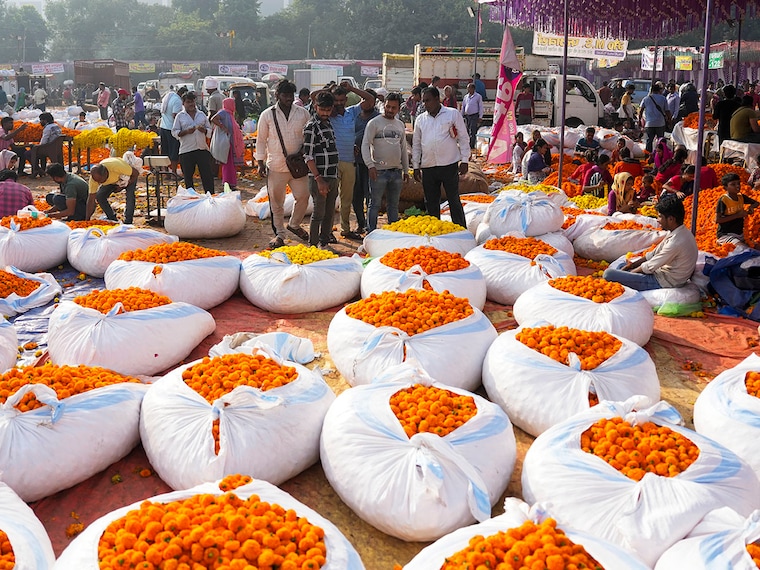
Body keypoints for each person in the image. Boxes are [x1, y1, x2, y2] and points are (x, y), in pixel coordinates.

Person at [256, 80, 312, 248]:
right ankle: (279, 234)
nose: (288, 98)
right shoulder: (267, 115)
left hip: (299, 166)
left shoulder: (303, 113)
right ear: (277, 96)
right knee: (276, 203)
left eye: (290, 95)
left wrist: (304, 152)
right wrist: (260, 163)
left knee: (303, 196)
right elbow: (261, 140)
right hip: (276, 166)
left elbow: (309, 137)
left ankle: (294, 225)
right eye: (285, 95)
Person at [602, 195, 698, 291]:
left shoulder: (677, 241)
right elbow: (653, 254)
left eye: (660, 217)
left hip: (663, 281)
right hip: (660, 273)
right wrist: (630, 266)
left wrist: (630, 273)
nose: (657, 220)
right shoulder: (678, 232)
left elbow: (649, 266)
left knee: (608, 274)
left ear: (671, 219)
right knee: (622, 265)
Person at [320, 82, 373, 240]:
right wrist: (329, 90)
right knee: (330, 199)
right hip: (332, 162)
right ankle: (327, 231)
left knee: (346, 199)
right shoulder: (328, 114)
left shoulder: (351, 112)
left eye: (342, 100)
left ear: (346, 99)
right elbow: (313, 97)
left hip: (350, 161)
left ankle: (345, 229)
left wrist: (352, 88)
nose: (339, 103)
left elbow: (370, 100)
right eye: (336, 100)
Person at [412, 87, 470, 227]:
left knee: (453, 199)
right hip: (428, 166)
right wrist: (415, 166)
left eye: (428, 100)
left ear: (438, 99)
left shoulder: (452, 114)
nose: (425, 104)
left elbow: (463, 137)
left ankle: (461, 230)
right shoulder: (420, 119)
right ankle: (436, 232)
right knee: (431, 202)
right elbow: (416, 144)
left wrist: (465, 160)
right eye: (423, 101)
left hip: (449, 164)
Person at [362, 92, 409, 232]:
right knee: (374, 204)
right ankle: (371, 233)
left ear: (398, 109)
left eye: (393, 108)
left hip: (396, 171)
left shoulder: (400, 125)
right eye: (388, 106)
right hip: (378, 172)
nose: (390, 110)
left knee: (393, 205)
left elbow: (403, 148)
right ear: (384, 105)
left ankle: (393, 234)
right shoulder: (374, 123)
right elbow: (365, 144)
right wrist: (370, 165)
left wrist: (406, 170)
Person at [303, 91, 339, 250]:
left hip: (332, 175)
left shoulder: (328, 124)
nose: (325, 113)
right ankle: (313, 245)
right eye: (322, 110)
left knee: (329, 213)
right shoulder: (311, 127)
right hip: (319, 177)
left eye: (328, 110)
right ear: (316, 107)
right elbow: (308, 156)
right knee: (318, 213)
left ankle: (324, 242)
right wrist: (319, 179)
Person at [172, 91, 214, 195]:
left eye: (193, 102)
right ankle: (191, 198)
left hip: (201, 149)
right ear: (184, 103)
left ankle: (210, 197)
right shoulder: (180, 116)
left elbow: (209, 129)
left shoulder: (201, 114)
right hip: (186, 150)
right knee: (188, 178)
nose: (191, 104)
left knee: (207, 176)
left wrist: (203, 130)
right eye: (188, 102)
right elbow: (174, 132)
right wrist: (186, 132)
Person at [352, 89, 380, 235]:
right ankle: (360, 223)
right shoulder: (354, 115)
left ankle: (370, 226)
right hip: (355, 162)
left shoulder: (378, 118)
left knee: (370, 194)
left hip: (371, 164)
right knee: (356, 195)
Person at [87, 157, 140, 223]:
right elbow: (91, 199)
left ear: (105, 174)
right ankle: (112, 218)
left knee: (130, 196)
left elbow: (136, 173)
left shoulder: (117, 167)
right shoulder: (94, 179)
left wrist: (123, 186)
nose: (98, 183)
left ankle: (128, 221)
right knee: (100, 196)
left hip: (128, 177)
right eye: (97, 181)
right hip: (114, 181)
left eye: (100, 181)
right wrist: (87, 220)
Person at [210, 97, 245, 191]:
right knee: (227, 163)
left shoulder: (230, 115)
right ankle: (228, 182)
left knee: (231, 164)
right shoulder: (224, 113)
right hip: (226, 143)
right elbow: (213, 119)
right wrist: (222, 127)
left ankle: (231, 182)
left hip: (231, 143)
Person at [716, 172, 760, 245]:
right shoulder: (723, 200)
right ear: (725, 187)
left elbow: (757, 203)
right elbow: (718, 219)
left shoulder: (741, 197)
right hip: (726, 234)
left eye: (738, 183)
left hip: (740, 234)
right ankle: (721, 241)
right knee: (742, 248)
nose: (737, 186)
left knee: (756, 247)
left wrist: (751, 207)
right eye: (733, 184)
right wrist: (737, 215)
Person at [159, 86, 184, 174]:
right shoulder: (177, 101)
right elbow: (175, 115)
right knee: (174, 151)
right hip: (172, 129)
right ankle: (173, 173)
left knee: (165, 151)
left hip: (163, 127)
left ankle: (165, 172)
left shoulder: (168, 96)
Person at [639, 83, 669, 154]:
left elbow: (640, 111)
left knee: (649, 140)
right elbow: (667, 111)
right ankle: (660, 154)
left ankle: (648, 155)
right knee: (660, 140)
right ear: (659, 90)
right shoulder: (663, 98)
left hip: (649, 123)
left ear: (651, 90)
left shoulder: (646, 98)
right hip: (660, 123)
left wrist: (639, 120)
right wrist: (669, 120)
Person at [461, 83, 483, 150]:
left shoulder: (478, 96)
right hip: (467, 116)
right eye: (467, 88)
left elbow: (480, 107)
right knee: (467, 131)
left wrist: (480, 116)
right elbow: (463, 106)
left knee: (472, 131)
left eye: (469, 88)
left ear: (473, 89)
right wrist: (461, 116)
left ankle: (472, 146)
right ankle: (468, 144)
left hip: (474, 115)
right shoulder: (466, 97)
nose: (468, 89)